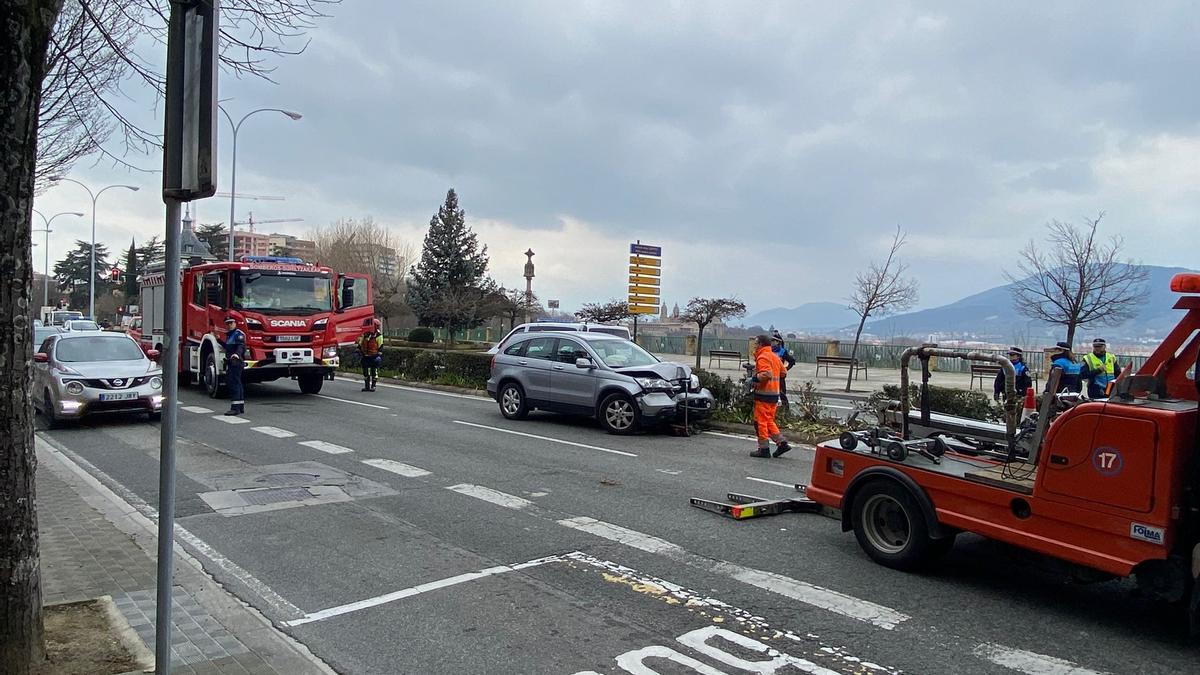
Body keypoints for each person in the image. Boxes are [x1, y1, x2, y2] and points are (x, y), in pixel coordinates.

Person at [749, 335, 793, 459]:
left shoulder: (762, 356)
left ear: (761, 345)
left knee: (760, 422)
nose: (755, 346)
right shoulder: (774, 356)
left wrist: (753, 378)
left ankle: (763, 449)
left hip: (763, 394)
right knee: (768, 420)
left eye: (756, 343)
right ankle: (782, 443)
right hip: (774, 394)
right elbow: (783, 372)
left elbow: (766, 374)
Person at [223, 315, 247, 415]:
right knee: (237, 383)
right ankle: (240, 406)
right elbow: (228, 347)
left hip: (236, 362)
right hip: (232, 362)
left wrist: (236, 354)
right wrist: (218, 340)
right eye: (227, 324)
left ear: (235, 324)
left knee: (234, 384)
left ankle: (235, 408)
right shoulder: (230, 335)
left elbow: (240, 346)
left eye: (231, 323)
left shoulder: (238, 334)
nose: (229, 325)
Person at [770, 332, 796, 411]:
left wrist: (786, 369)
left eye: (773, 341)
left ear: (778, 342)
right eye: (771, 341)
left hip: (779, 376)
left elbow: (792, 361)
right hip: (770, 375)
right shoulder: (769, 350)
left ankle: (786, 410)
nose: (772, 342)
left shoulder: (783, 351)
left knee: (782, 394)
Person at [356, 319, 385, 392]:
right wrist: (358, 350)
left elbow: (380, 345)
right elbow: (360, 343)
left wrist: (379, 353)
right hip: (365, 355)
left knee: (374, 371)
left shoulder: (378, 335)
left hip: (374, 356)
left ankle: (373, 386)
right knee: (365, 372)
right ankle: (367, 386)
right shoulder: (365, 334)